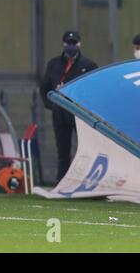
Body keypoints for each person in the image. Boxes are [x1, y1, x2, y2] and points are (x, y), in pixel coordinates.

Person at [40, 31, 98, 181]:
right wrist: (52, 105)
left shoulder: (88, 65)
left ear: (79, 44)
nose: (71, 46)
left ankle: (84, 181)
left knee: (84, 149)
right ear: (63, 44)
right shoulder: (53, 64)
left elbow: (93, 90)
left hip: (79, 115)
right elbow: (44, 88)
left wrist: (86, 109)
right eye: (68, 43)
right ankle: (62, 182)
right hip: (59, 113)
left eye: (74, 43)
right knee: (63, 151)